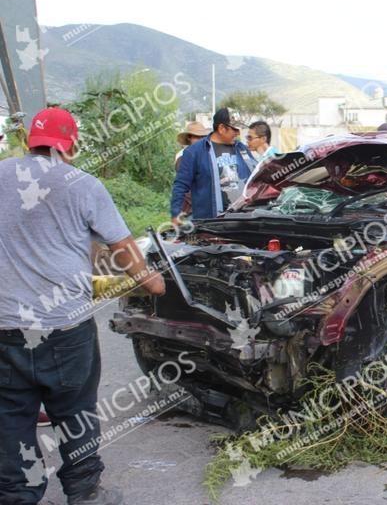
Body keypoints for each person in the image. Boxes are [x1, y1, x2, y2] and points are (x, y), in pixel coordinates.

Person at [0, 107, 165, 504]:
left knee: (10, 417)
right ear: (70, 146)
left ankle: (16, 495)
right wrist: (153, 283)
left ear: (28, 142)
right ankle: (84, 491)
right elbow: (123, 248)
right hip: (65, 327)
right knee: (75, 411)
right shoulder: (83, 184)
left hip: (6, 327)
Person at [170, 108, 257, 223]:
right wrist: (176, 214)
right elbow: (181, 185)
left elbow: (256, 175)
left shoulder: (241, 149)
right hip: (211, 223)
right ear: (221, 128)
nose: (238, 133)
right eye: (234, 129)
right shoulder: (194, 152)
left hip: (242, 220)